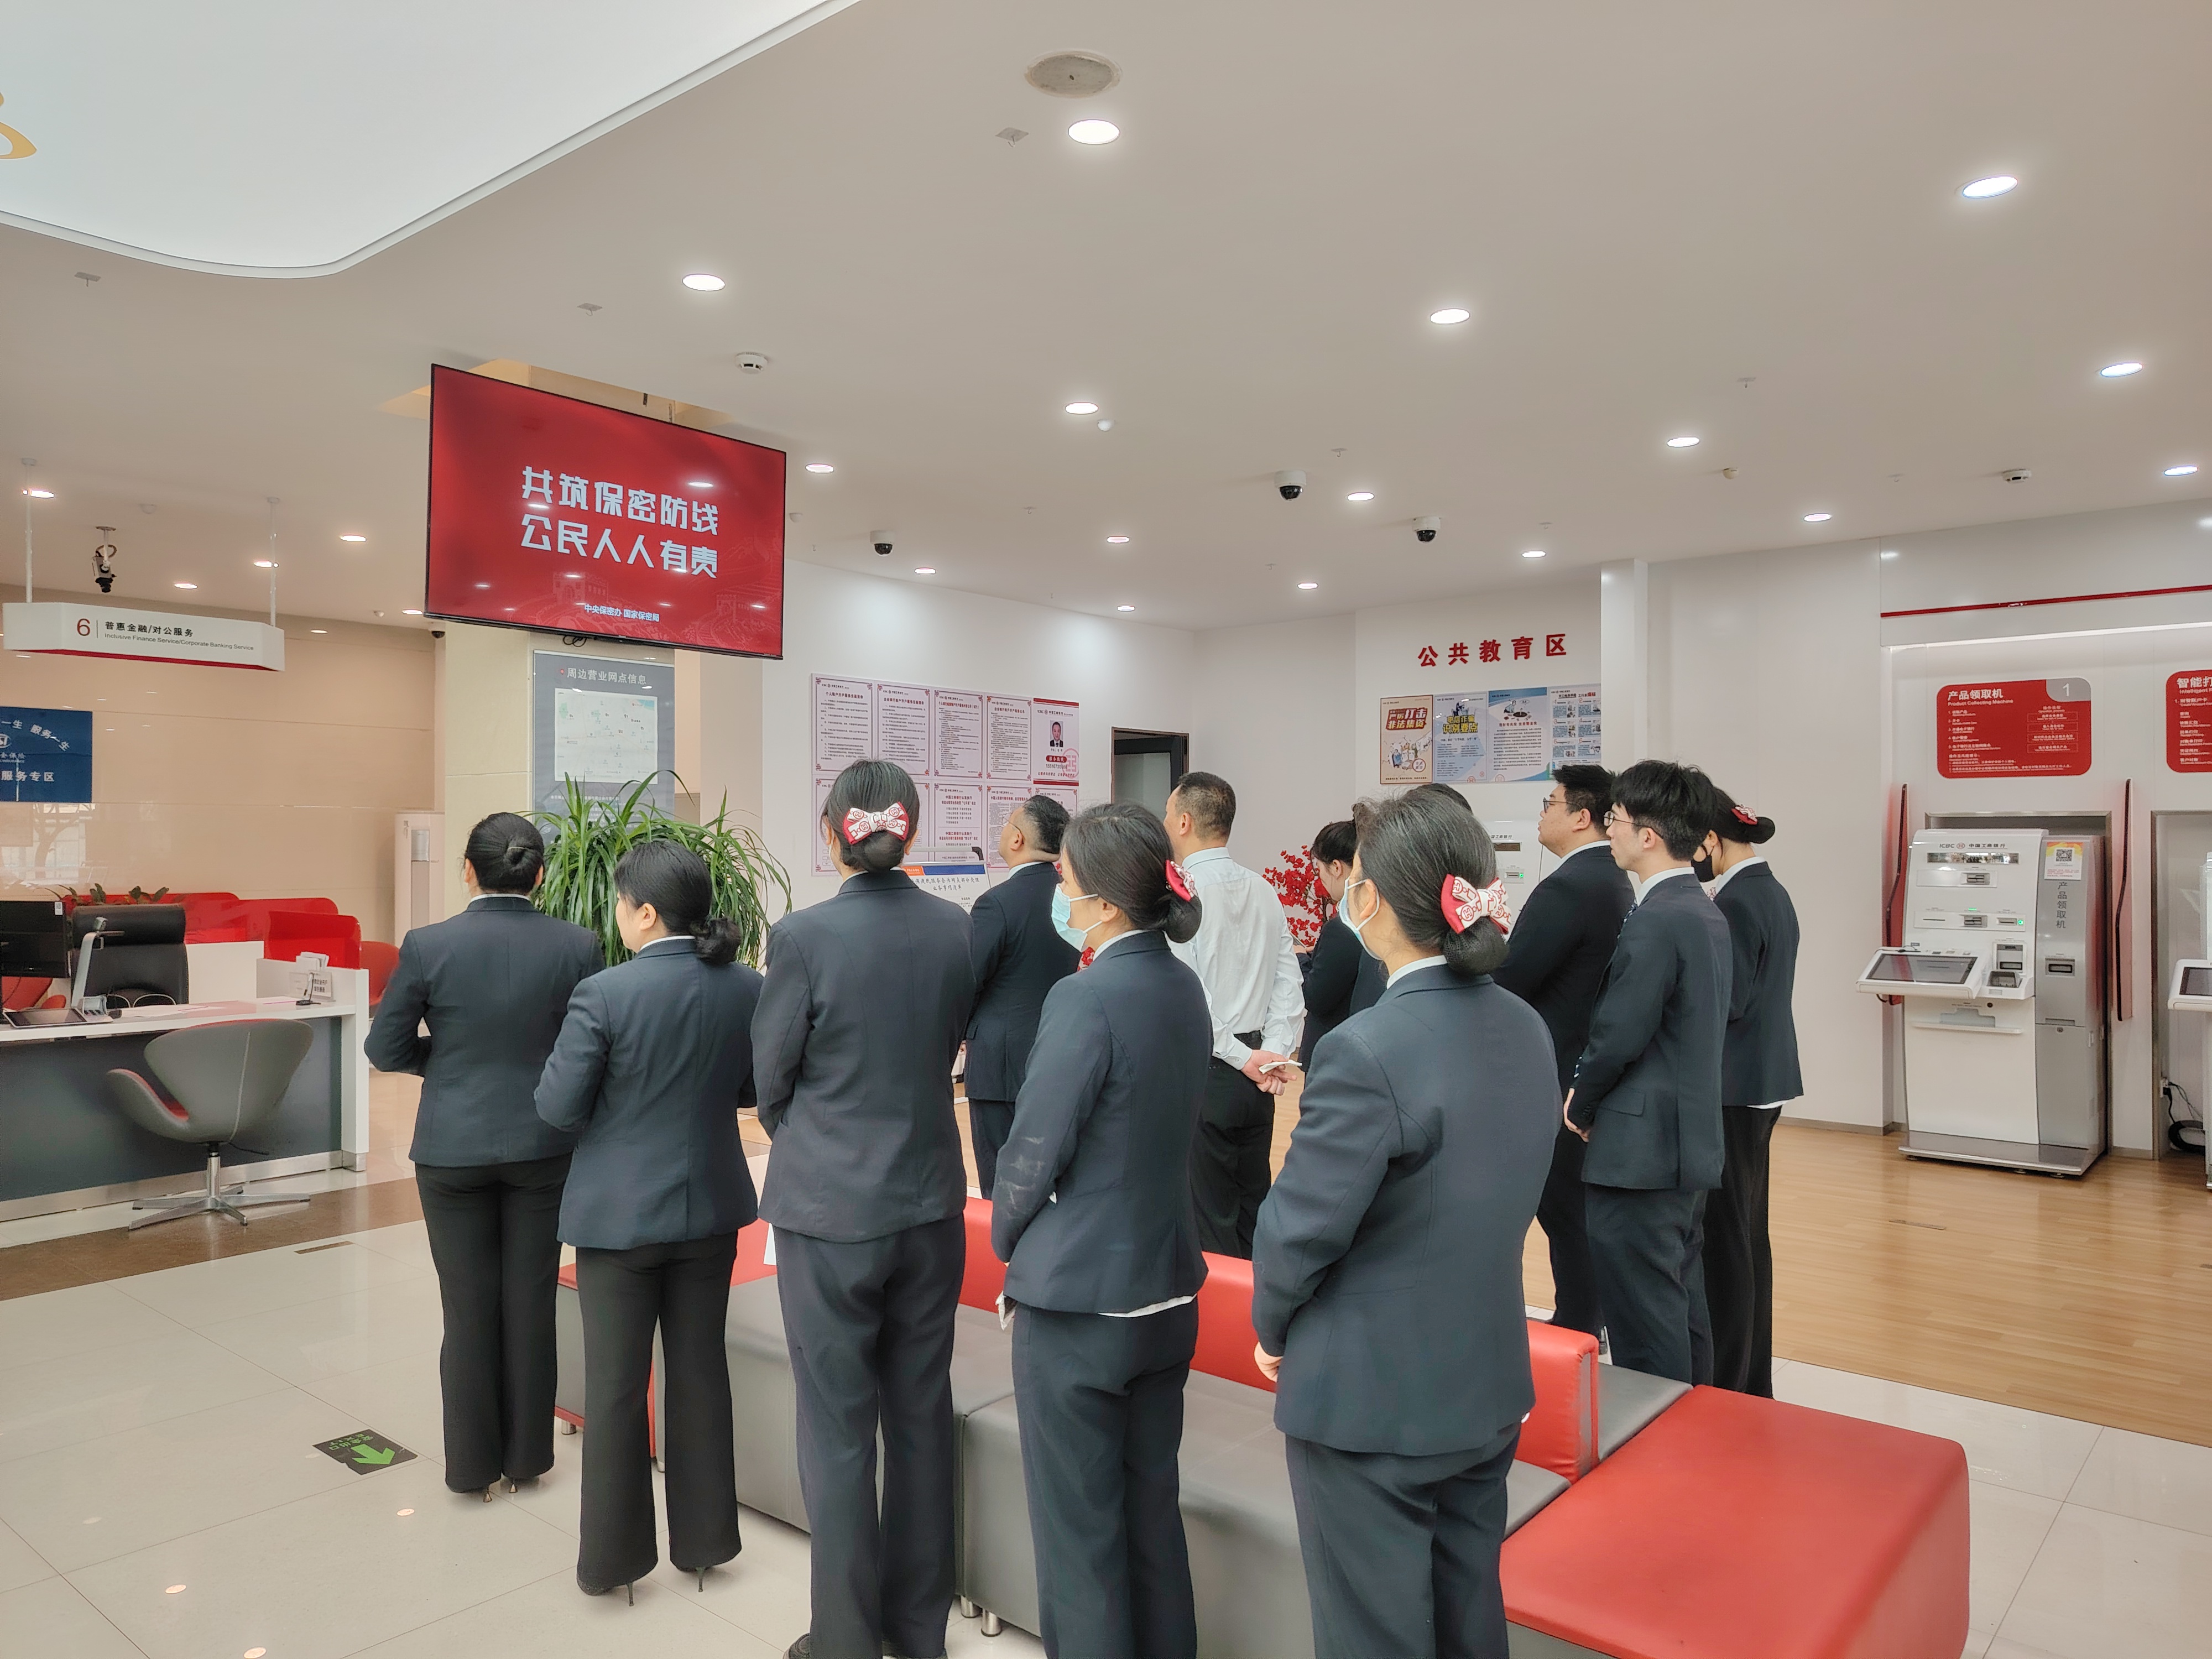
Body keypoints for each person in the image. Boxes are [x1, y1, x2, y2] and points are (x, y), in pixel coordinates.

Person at [1251, 791, 1556, 1659]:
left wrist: (1273, 1326)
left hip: (1372, 1399)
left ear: (1372, 899)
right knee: (1468, 1615)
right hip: (1485, 1377)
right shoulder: (1527, 1028)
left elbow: (1299, 1230)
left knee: (1372, 1634)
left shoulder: (1366, 1047)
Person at [753, 759, 975, 1659]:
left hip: (830, 1209)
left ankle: (844, 1641)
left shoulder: (803, 937)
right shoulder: (958, 930)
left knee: (837, 1427)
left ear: (831, 831)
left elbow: (770, 1080)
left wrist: (817, 1140)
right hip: (931, 1201)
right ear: (910, 828)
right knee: (921, 1416)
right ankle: (919, 1633)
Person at [993, 804, 1212, 1659]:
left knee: (1078, 1535)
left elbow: (1033, 1149)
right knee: (1153, 1514)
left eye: (1067, 879)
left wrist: (1010, 1242)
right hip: (1167, 1289)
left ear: (1110, 902)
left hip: (1080, 1302)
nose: (1061, 890)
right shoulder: (1182, 986)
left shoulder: (1084, 997)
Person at [534, 840, 761, 1598]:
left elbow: (557, 1107)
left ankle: (616, 1563)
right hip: (711, 1212)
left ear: (646, 913)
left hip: (619, 1218)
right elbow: (752, 1088)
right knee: (700, 1376)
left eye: (621, 902)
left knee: (615, 1387)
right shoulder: (747, 987)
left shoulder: (605, 994)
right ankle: (705, 1545)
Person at [366, 812, 603, 1500]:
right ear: (540, 874)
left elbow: (385, 1048)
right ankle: (527, 1458)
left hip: (453, 1148)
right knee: (530, 1301)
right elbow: (590, 1048)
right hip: (543, 1146)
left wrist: (448, 1063)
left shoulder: (428, 944)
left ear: (468, 870)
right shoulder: (578, 945)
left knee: (466, 1309)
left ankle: (471, 1468)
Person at [1565, 760, 1730, 1385]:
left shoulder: (1658, 917)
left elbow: (1619, 1033)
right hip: (1684, 1140)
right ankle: (1696, 1416)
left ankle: (1655, 1428)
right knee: (1680, 1299)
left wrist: (1581, 1102)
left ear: (1649, 835)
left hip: (1640, 1151)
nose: (1609, 831)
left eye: (1615, 820)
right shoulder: (1702, 910)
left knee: (1642, 1312)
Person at [1491, 765, 1633, 1339]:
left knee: (1562, 1206)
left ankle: (1578, 1324)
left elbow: (1510, 976)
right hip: (1580, 1062)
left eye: (1550, 804)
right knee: (1572, 1206)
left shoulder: (1570, 886)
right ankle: (1587, 1318)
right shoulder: (1612, 879)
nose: (1542, 814)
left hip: (1553, 1070)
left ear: (1581, 817)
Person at [1161, 771, 1303, 1257]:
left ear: (1184, 821)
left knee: (1208, 1216)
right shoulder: (1263, 889)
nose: (1164, 822)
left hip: (1211, 1068)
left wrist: (1245, 1059)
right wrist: (1273, 1053)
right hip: (1258, 1075)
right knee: (1252, 1206)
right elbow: (1289, 983)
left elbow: (1189, 995)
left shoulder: (1183, 895)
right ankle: (1257, 1302)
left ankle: (1222, 1307)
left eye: (1167, 813)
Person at [1697, 789, 1801, 1397]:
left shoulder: (1735, 902)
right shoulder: (1771, 891)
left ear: (1712, 840)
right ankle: (1752, 1379)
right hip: (1764, 1079)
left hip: (1734, 1086)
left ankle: (1731, 1382)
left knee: (1727, 1240)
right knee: (1748, 1233)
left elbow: (1729, 1001)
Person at [964, 795, 1079, 1193]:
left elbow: (969, 978)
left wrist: (958, 1029)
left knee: (1001, 1184)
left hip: (1000, 1065)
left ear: (1017, 839)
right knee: (1050, 1179)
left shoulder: (996, 903)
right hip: (1058, 1049)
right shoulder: (1071, 897)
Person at [1297, 818, 1363, 1071]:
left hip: (1332, 1056)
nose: (1320, 879)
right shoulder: (1377, 920)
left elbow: (1316, 996)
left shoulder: (1343, 928)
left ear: (1336, 868)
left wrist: (1300, 959)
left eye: (1320, 870)